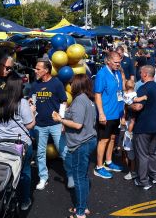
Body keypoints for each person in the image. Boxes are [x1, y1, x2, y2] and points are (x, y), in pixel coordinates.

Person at [52, 74, 97, 218]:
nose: (70, 86)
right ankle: (82, 207)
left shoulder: (79, 101)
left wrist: (61, 119)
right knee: (83, 177)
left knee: (79, 178)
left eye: (72, 83)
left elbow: (78, 125)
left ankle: (80, 213)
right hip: (89, 141)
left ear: (77, 85)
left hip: (81, 143)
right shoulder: (88, 100)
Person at [0, 74, 36, 210]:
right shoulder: (21, 103)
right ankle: (24, 201)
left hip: (1, 144)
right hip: (20, 145)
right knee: (24, 171)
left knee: (4, 171)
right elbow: (30, 125)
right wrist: (32, 112)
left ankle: (1, 197)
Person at [29, 59, 72, 190]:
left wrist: (62, 120)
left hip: (55, 124)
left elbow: (63, 102)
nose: (35, 71)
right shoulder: (35, 85)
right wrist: (30, 102)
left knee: (63, 151)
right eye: (35, 68)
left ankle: (70, 175)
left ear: (46, 70)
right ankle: (43, 177)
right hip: (39, 125)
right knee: (40, 153)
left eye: (38, 69)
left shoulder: (56, 83)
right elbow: (33, 102)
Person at [130, 65, 156, 190]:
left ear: (144, 74)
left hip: (143, 126)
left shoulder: (143, 88)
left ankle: (144, 181)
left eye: (140, 72)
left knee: (142, 155)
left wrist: (128, 105)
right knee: (153, 153)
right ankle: (155, 176)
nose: (139, 74)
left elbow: (138, 107)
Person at [93, 51, 125, 179]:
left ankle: (109, 161)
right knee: (104, 140)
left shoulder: (117, 72)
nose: (118, 64)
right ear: (108, 61)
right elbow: (97, 94)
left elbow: (120, 92)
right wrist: (101, 113)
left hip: (116, 112)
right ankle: (99, 167)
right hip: (106, 113)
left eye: (119, 62)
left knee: (112, 138)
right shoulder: (102, 74)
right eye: (116, 62)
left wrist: (122, 112)